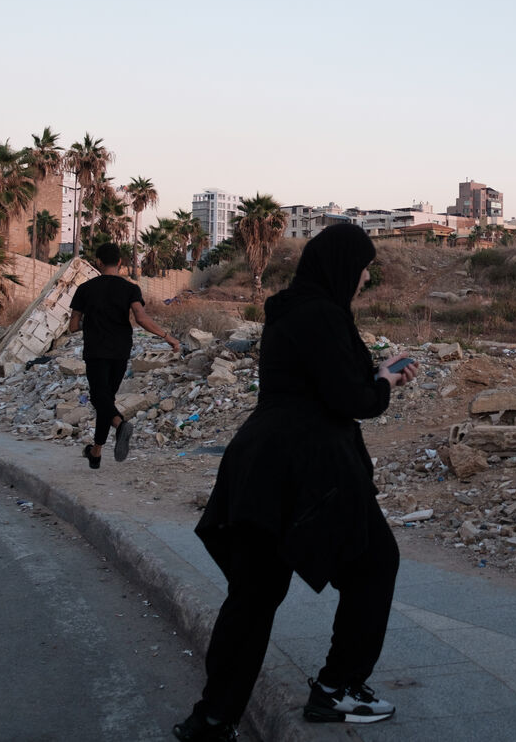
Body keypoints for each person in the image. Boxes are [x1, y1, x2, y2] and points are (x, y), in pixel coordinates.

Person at [173, 222, 418, 742]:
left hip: (260, 464)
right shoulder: (325, 316)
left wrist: (373, 375)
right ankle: (336, 688)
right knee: (375, 563)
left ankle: (212, 719)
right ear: (343, 267)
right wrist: (384, 381)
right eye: (363, 268)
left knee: (254, 597)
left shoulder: (290, 313)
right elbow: (353, 400)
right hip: (313, 469)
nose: (366, 278)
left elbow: (318, 381)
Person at [67, 242, 180, 469]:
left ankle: (120, 425)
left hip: (96, 350)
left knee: (99, 398)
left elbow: (72, 326)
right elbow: (141, 318)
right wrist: (167, 336)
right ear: (120, 262)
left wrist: (89, 323)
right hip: (120, 351)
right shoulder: (130, 289)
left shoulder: (85, 289)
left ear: (98, 262)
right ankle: (96, 453)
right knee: (106, 399)